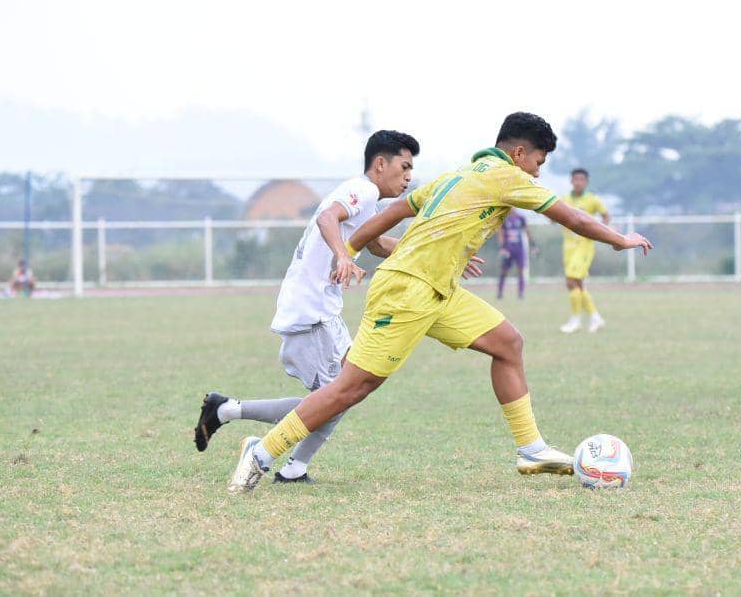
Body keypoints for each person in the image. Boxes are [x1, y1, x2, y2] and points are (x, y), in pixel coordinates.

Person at [228, 112, 652, 493]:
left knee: (508, 344)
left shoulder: (459, 175)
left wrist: (352, 249)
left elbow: (394, 212)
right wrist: (619, 240)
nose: (538, 173)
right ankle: (262, 453)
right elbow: (570, 217)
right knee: (351, 388)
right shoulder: (505, 177)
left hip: (439, 290)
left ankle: (531, 448)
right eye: (539, 162)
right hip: (408, 291)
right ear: (520, 153)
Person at [193, 130, 420, 485]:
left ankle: (282, 457)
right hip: (311, 312)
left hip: (323, 311)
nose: (409, 176)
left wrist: (430, 254)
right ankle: (245, 427)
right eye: (404, 166)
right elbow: (327, 218)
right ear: (380, 164)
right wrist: (343, 257)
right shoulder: (363, 189)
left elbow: (375, 244)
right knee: (335, 398)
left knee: (349, 390)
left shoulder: (366, 199)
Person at [559, 169, 610, 334]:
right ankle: (595, 317)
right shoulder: (565, 199)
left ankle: (576, 320)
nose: (578, 182)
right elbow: (555, 215)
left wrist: (601, 232)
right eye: (575, 179)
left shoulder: (592, 199)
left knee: (572, 281)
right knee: (576, 283)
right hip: (568, 247)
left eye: (581, 179)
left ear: (586, 182)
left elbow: (605, 216)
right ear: (571, 181)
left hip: (585, 246)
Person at [496, 210, 536, 299]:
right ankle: (500, 292)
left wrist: (533, 245)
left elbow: (527, 231)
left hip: (519, 249)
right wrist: (502, 247)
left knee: (521, 270)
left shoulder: (520, 218)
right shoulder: (504, 217)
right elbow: (501, 233)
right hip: (508, 249)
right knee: (504, 271)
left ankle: (521, 293)